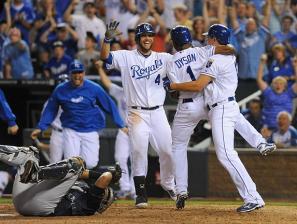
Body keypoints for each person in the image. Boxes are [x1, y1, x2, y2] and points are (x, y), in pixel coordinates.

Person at [165, 24, 274, 213]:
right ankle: (260, 143)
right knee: (237, 118)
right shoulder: (215, 53)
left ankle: (253, 197)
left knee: (225, 154)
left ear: (214, 39)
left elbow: (198, 85)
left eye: (210, 37)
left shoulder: (213, 59)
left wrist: (173, 85)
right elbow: (230, 48)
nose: (207, 39)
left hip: (216, 106)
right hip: (225, 103)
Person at [100, 21, 177, 208]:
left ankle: (169, 184)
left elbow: (181, 62)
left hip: (158, 112)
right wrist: (107, 39)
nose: (147, 38)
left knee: (167, 150)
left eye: (150, 35)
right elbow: (105, 57)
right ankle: (141, 194)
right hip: (136, 113)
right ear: (137, 39)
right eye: (144, 35)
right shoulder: (126, 56)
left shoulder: (164, 58)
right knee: (138, 152)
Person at [31, 60, 125, 169]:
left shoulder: (94, 88)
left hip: (90, 128)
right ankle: (74, 184)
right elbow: (50, 110)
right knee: (72, 163)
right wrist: (40, 127)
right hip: (71, 130)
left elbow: (109, 105)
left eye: (80, 72)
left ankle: (82, 179)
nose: (77, 75)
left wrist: (120, 124)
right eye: (74, 73)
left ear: (84, 73)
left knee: (91, 163)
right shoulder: (60, 90)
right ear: (70, 74)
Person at [0, 144, 121, 216]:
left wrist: (110, 175)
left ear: (102, 202)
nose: (101, 191)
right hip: (25, 196)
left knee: (78, 163)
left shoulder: (91, 205)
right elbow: (81, 173)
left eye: (104, 193)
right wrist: (97, 174)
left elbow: (105, 177)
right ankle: (35, 174)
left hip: (42, 207)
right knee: (30, 153)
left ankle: (35, 174)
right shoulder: (82, 188)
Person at [96, 60, 135, 199]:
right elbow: (106, 83)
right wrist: (100, 68)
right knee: (120, 158)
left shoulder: (142, 92)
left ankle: (135, 191)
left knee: (137, 160)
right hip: (123, 129)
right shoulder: (120, 92)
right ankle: (125, 188)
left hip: (138, 130)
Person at [257, 54, 297, 130]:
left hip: (285, 129)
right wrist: (262, 63)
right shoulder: (268, 92)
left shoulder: (289, 94)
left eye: (281, 83)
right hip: (268, 128)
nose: (278, 85)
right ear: (272, 85)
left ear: (285, 86)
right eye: (276, 83)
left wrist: (295, 66)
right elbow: (259, 79)